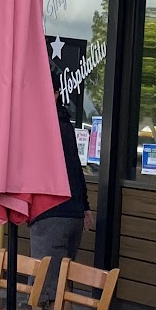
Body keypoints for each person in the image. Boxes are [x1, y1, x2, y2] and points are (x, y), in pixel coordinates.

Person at [30, 105, 92, 275]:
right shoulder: (66, 124)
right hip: (74, 212)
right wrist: (85, 205)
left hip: (49, 211)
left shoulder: (39, 124)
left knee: (45, 283)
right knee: (63, 281)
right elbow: (76, 166)